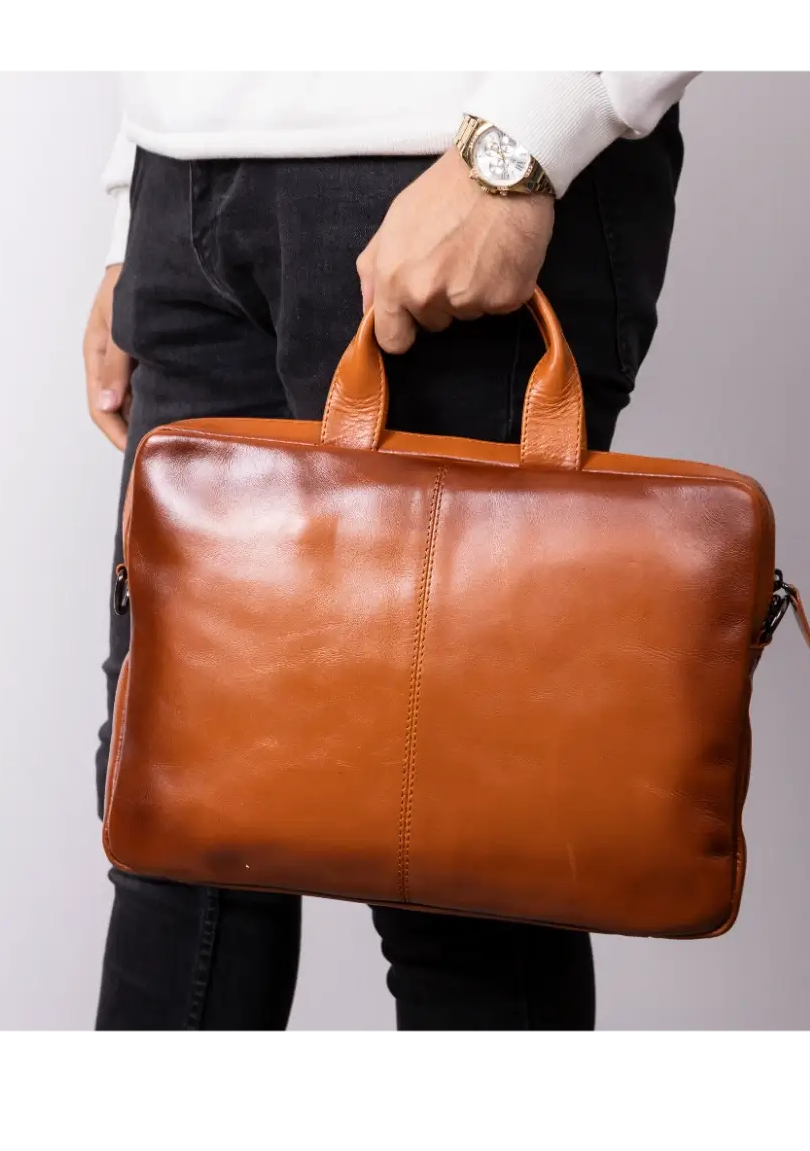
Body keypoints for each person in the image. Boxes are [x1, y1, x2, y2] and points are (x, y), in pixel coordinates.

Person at [83, 62, 703, 1039]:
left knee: (463, 867)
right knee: (174, 825)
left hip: (447, 163)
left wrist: (521, 143)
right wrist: (136, 205)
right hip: (189, 182)